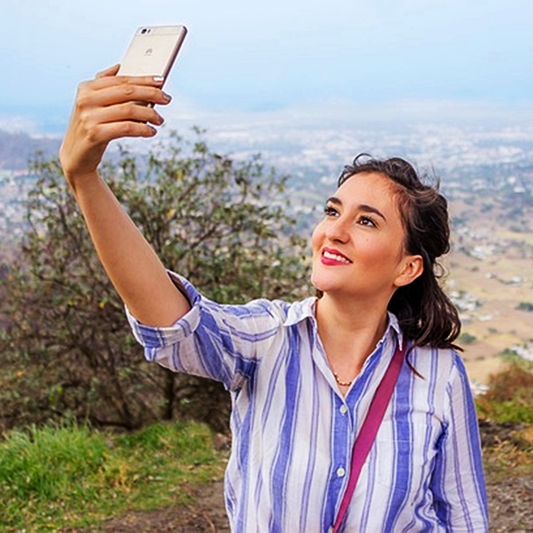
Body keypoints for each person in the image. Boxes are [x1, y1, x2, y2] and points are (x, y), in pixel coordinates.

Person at [60, 66, 489, 532]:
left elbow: (463, 519)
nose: (334, 231)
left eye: (366, 222)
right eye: (332, 211)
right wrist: (84, 178)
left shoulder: (439, 375)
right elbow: (171, 322)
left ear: (407, 267)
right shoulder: (266, 340)